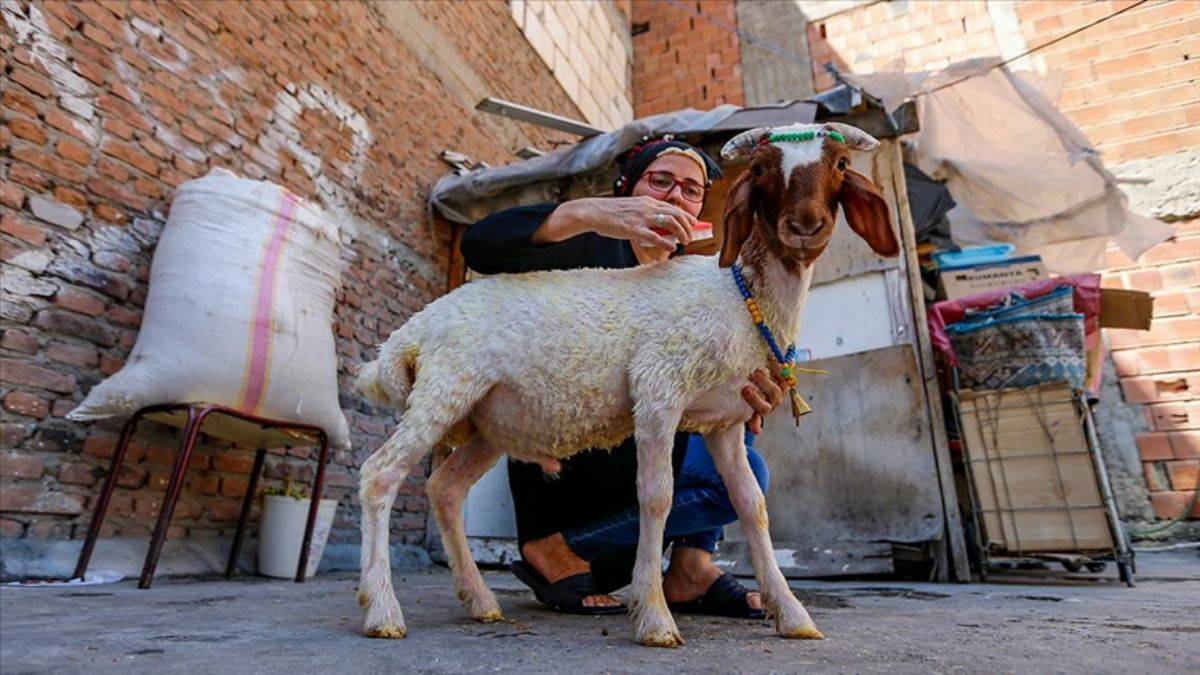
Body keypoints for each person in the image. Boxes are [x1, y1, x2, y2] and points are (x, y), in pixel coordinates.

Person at [460, 136, 782, 618]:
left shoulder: (688, 282)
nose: (676, 196)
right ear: (628, 190)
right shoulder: (579, 247)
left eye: (691, 190)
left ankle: (689, 569)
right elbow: (478, 246)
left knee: (744, 453)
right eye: (661, 181)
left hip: (639, 472)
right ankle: (551, 548)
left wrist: (745, 395)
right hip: (569, 464)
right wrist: (586, 214)